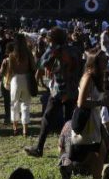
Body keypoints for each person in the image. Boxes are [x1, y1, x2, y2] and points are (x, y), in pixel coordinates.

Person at [25, 27, 81, 158]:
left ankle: (39, 148)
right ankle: (70, 150)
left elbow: (40, 64)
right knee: (69, 120)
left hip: (59, 91)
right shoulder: (75, 50)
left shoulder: (54, 50)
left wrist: (51, 51)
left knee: (47, 118)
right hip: (72, 90)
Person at [68, 50, 109, 179]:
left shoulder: (98, 77)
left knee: (98, 150)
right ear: (95, 62)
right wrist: (101, 103)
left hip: (94, 118)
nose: (107, 62)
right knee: (96, 150)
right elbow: (81, 103)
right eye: (104, 60)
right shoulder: (88, 77)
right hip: (87, 120)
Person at [7, 34, 36, 137]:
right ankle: (25, 129)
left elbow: (10, 70)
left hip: (15, 79)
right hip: (26, 78)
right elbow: (33, 66)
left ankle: (15, 128)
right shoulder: (28, 53)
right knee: (25, 104)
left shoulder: (12, 55)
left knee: (14, 104)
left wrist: (7, 81)